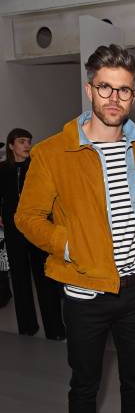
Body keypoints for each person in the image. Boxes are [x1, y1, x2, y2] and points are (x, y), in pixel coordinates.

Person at [15, 44, 135, 413]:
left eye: (123, 90)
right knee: (85, 384)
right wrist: (70, 244)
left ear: (133, 94)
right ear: (89, 89)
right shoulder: (53, 152)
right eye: (105, 87)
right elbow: (27, 217)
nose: (114, 98)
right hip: (85, 292)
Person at [0, 129, 65, 337]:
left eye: (29, 141)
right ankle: (27, 328)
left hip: (38, 230)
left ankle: (55, 330)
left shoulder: (38, 165)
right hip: (13, 231)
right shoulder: (2, 169)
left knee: (45, 280)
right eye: (21, 142)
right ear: (11, 146)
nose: (27, 145)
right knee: (19, 281)